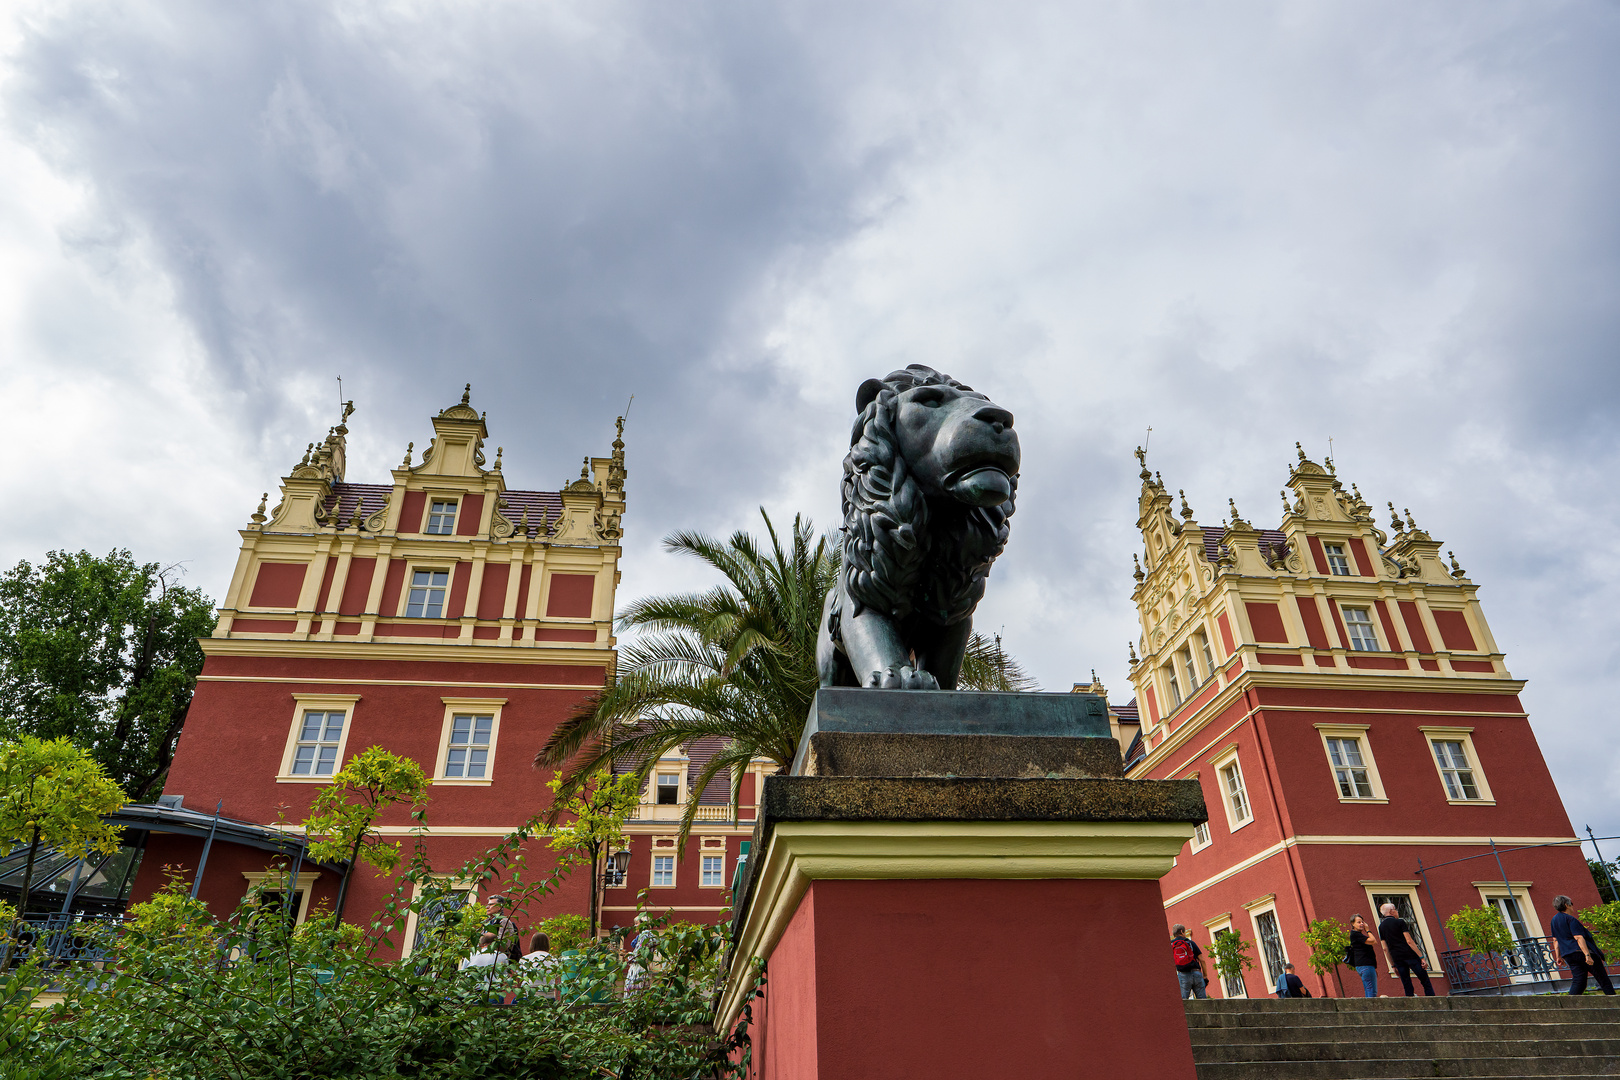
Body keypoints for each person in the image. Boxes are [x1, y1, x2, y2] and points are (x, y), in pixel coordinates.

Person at [1550, 895, 1615, 996]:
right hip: (1581, 952)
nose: (1572, 907)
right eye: (1571, 904)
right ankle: (1615, 1003)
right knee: (1603, 979)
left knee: (1579, 981)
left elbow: (1555, 940)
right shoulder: (1571, 919)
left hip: (1569, 955)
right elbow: (1579, 937)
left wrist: (1558, 956)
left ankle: (1570, 1006)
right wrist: (1587, 955)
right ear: (1566, 905)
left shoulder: (1554, 921)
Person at [1377, 903, 1434, 996]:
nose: (1397, 912)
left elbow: (1385, 948)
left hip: (1397, 958)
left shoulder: (1381, 927)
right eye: (1395, 909)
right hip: (1409, 954)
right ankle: (1432, 1000)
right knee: (1424, 980)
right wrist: (1421, 957)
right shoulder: (1400, 922)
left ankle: (1410, 1002)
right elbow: (1409, 941)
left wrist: (1393, 965)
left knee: (1406, 983)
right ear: (1391, 912)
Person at [1346, 914, 1380, 998]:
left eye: (1362, 922)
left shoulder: (1358, 935)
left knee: (1368, 988)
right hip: (1365, 964)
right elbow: (1373, 941)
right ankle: (1371, 1008)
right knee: (1371, 990)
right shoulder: (1355, 934)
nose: (1361, 924)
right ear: (1352, 924)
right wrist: (1368, 930)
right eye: (1358, 922)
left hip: (1364, 965)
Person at [1170, 925, 1208, 999]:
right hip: (1196, 973)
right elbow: (1202, 960)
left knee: (1184, 1002)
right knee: (1203, 1001)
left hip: (1183, 975)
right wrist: (1205, 976)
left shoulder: (1171, 945)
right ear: (1182, 931)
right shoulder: (1190, 943)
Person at [520, 931, 559, 1000]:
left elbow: (519, 981)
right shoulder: (554, 960)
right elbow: (556, 979)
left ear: (532, 944)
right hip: (549, 996)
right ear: (547, 944)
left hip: (529, 995)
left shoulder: (524, 959)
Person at [483, 894, 522, 962]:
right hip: (484, 959)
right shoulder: (486, 923)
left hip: (497, 961)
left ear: (500, 907)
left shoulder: (504, 922)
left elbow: (504, 945)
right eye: (488, 904)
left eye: (491, 905)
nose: (487, 907)